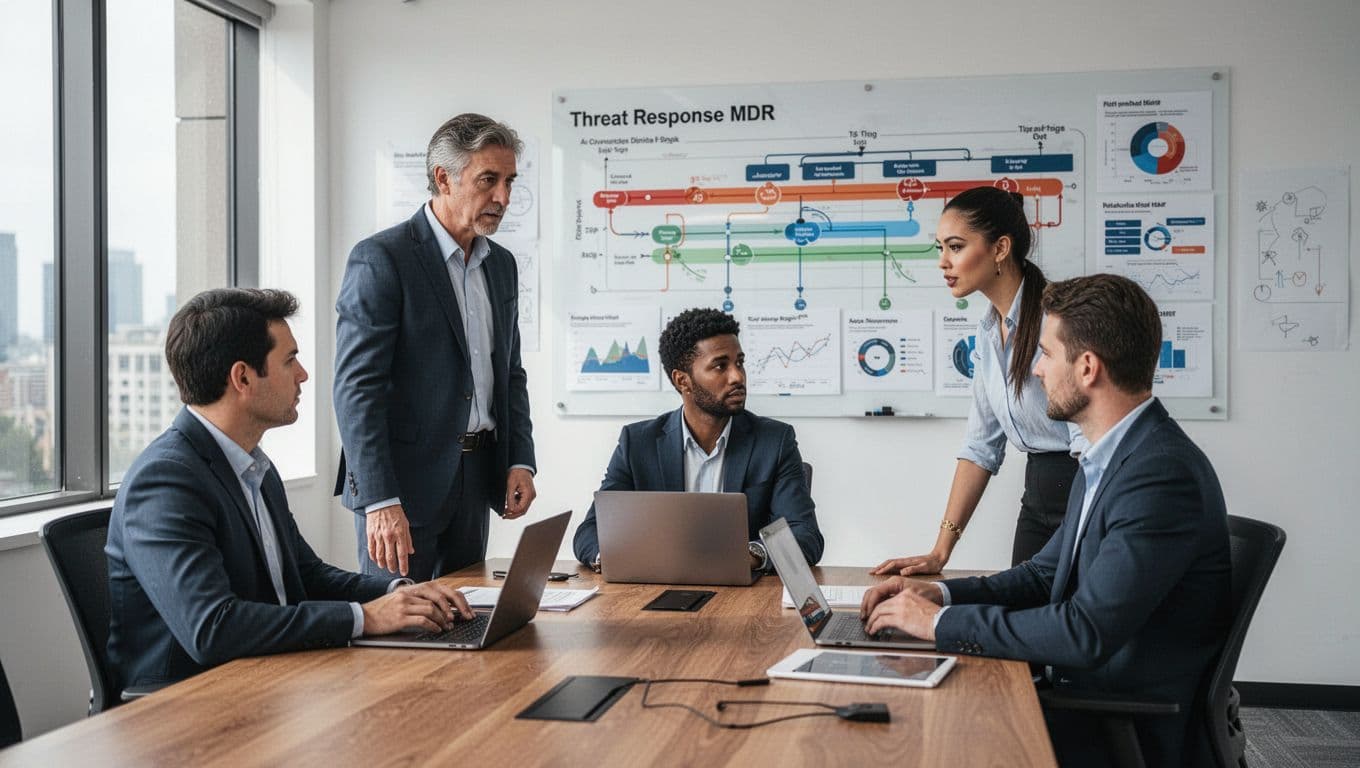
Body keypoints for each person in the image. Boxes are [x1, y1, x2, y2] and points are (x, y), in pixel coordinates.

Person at [860, 274, 1231, 766]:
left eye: (1046, 354)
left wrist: (939, 624)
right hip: (1085, 693)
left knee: (914, 735)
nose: (1035, 370)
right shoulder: (1112, 454)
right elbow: (1042, 573)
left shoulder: (1159, 475)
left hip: (1118, 722)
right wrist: (941, 595)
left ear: (1087, 368)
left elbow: (1084, 632)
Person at [107, 289, 473, 691]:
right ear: (242, 377)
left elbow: (304, 574)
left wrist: (402, 593)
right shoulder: (165, 480)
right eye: (289, 359)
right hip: (190, 704)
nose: (303, 374)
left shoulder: (253, 466)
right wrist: (366, 617)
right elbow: (213, 627)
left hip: (267, 677)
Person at [335, 113, 537, 580]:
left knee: (468, 625)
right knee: (399, 634)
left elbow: (510, 372)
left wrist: (519, 459)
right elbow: (356, 389)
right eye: (489, 180)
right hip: (401, 489)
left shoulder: (500, 265)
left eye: (509, 181)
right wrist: (379, 500)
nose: (503, 197)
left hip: (476, 478)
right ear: (443, 178)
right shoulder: (382, 259)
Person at [873, 186, 1087, 577]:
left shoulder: (1056, 323)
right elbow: (980, 447)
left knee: (1057, 623)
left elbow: (1088, 441)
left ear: (1000, 248)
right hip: (1037, 497)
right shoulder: (989, 332)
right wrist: (940, 553)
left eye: (955, 247)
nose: (943, 262)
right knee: (1023, 617)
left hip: (1081, 489)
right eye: (940, 248)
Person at [572, 308, 823, 569]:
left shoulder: (774, 441)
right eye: (720, 366)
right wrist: (613, 557)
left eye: (739, 363)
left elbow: (805, 537)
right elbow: (590, 532)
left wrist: (747, 555)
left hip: (743, 597)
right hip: (658, 593)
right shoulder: (638, 443)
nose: (737, 376)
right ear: (683, 381)